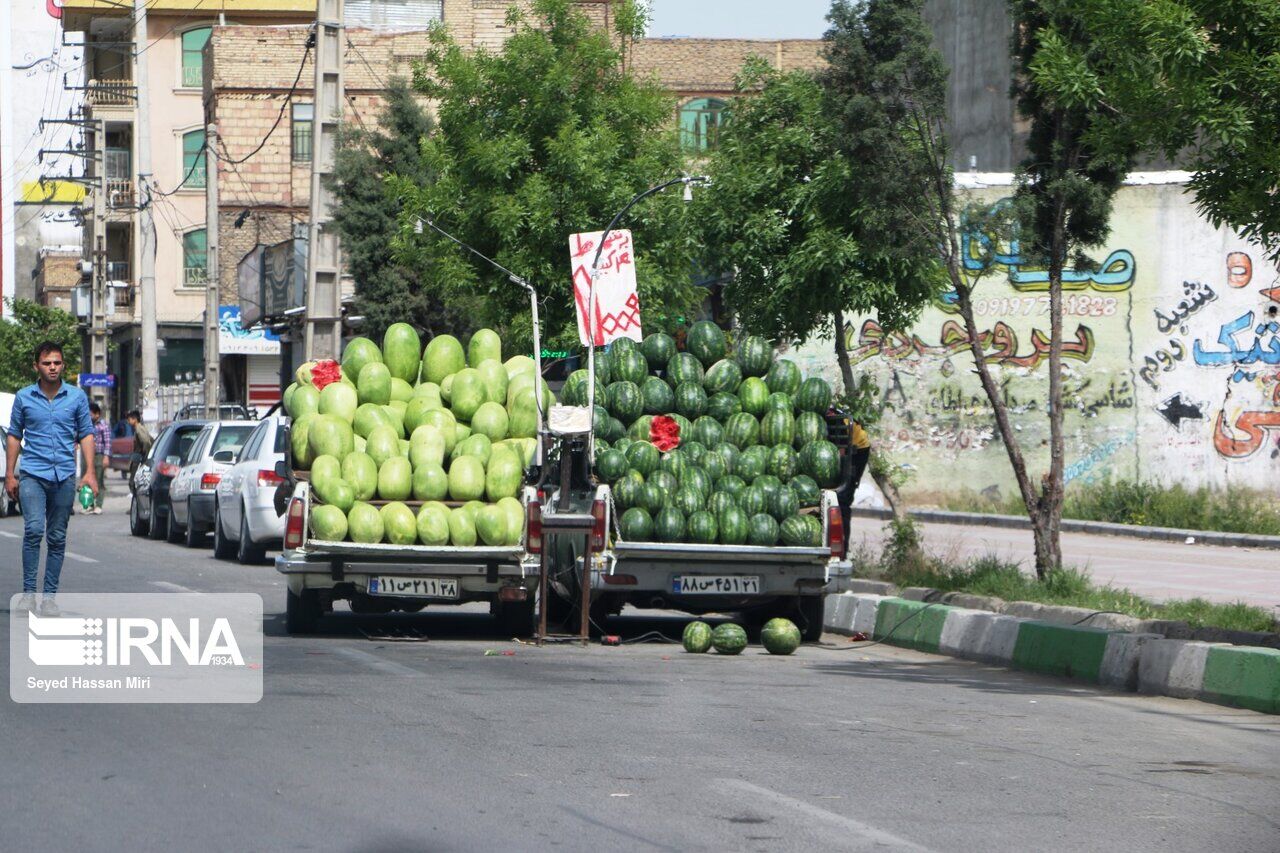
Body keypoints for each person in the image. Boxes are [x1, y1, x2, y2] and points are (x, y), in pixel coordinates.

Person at [5, 342, 97, 616]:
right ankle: (28, 595)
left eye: (57, 362)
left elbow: (86, 434)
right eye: (47, 363)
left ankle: (49, 599)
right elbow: (14, 435)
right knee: (33, 530)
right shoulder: (24, 397)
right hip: (33, 473)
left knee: (56, 537)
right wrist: (10, 474)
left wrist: (90, 472)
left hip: (64, 476)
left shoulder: (77, 398)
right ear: (37, 366)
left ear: (63, 365)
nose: (53, 367)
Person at [89, 402, 110, 514]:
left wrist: (106, 457)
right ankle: (89, 504)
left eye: (91, 414)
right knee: (88, 479)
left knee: (99, 480)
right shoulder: (88, 425)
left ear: (97, 414)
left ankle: (99, 504)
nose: (89, 416)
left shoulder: (103, 426)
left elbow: (107, 443)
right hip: (89, 456)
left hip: (99, 456)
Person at [126, 410, 152, 494]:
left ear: (135, 419)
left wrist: (145, 455)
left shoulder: (138, 429)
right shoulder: (140, 428)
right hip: (138, 457)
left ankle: (135, 496)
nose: (128, 421)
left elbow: (146, 442)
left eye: (129, 419)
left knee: (133, 480)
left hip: (139, 458)